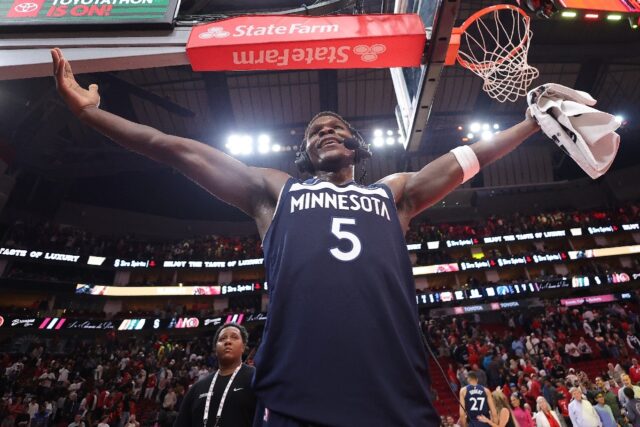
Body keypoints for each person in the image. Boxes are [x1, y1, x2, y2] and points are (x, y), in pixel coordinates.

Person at [51, 47, 541, 426]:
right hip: (295, 394)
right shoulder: (275, 191)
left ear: (355, 144)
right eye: (315, 131)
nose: (325, 131)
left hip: (395, 395)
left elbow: (466, 161)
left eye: (336, 127)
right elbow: (176, 149)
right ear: (306, 152)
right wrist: (91, 115)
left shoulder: (393, 193)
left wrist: (530, 123)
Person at [174, 323, 256, 427]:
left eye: (234, 337)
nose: (228, 341)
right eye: (222, 339)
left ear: (243, 347)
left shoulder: (256, 378)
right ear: (215, 349)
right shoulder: (197, 388)